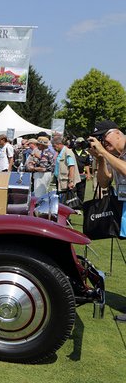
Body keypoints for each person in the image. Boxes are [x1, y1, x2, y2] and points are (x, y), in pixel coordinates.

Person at [87, 119, 126, 323]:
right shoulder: (114, 154)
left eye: (105, 136)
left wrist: (105, 152)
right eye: (99, 137)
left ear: (118, 133)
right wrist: (101, 159)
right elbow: (104, 181)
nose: (102, 140)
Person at [51, 135, 81, 200]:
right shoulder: (60, 152)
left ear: (59, 144)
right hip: (60, 180)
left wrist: (71, 181)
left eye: (54, 146)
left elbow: (71, 167)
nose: (53, 148)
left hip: (66, 182)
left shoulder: (67, 152)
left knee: (67, 201)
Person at [73, 137, 92, 206]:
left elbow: (87, 165)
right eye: (77, 143)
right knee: (72, 191)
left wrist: (88, 174)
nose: (78, 145)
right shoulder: (71, 152)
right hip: (72, 175)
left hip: (81, 175)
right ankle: (72, 205)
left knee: (81, 191)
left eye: (80, 143)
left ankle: (80, 205)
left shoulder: (86, 153)